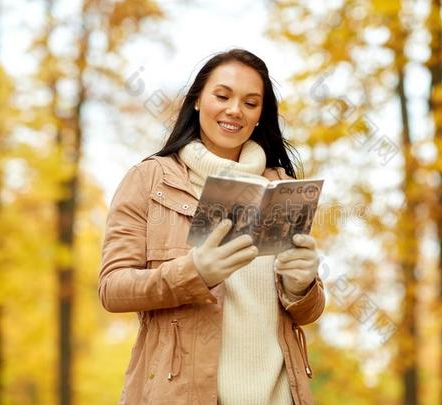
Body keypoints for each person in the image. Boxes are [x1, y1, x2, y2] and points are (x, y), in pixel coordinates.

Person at [99, 48, 325, 405]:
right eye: (222, 96)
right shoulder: (150, 179)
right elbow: (112, 288)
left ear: (260, 116)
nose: (235, 110)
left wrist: (301, 286)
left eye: (251, 103)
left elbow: (306, 313)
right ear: (196, 101)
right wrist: (194, 272)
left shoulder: (281, 189)